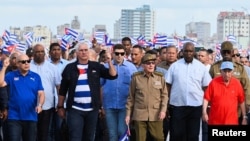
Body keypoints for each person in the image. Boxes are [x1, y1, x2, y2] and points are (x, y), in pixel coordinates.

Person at [57, 41, 117, 141]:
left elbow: (113, 75)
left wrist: (110, 61)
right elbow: (63, 90)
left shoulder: (96, 66)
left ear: (89, 52)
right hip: (75, 109)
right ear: (76, 53)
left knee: (89, 137)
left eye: (86, 50)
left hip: (92, 110)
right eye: (81, 50)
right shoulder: (69, 68)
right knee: (75, 137)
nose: (84, 52)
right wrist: (60, 107)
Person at [166, 42, 211, 141]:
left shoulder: (201, 67)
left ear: (194, 52)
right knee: (177, 135)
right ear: (182, 52)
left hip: (195, 107)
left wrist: (206, 106)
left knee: (193, 135)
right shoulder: (175, 66)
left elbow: (207, 87)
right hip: (177, 106)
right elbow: (167, 86)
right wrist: (166, 104)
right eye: (186, 51)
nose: (188, 53)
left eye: (190, 51)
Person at [0, 54, 45, 141]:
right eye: (23, 62)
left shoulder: (36, 76)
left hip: (31, 116)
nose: (26, 63)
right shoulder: (11, 75)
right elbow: (1, 83)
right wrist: (4, 67)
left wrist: (40, 105)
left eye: (28, 61)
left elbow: (41, 93)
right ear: (17, 64)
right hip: (14, 117)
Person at [125, 53, 168, 141]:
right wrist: (128, 115)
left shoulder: (159, 78)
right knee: (140, 139)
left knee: (159, 138)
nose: (151, 65)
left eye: (153, 63)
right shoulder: (136, 78)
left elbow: (164, 96)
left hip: (156, 113)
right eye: (148, 63)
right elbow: (131, 98)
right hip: (140, 114)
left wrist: (163, 111)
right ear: (143, 65)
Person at [101, 44, 137, 141]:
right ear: (112, 54)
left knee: (122, 132)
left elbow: (135, 88)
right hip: (109, 105)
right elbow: (100, 86)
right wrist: (101, 106)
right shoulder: (105, 66)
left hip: (125, 106)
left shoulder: (131, 67)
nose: (119, 56)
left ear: (125, 54)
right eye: (117, 53)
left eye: (122, 53)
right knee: (112, 134)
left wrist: (133, 107)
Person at [209, 41, 250, 123]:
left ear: (232, 52)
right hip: (218, 111)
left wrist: (247, 104)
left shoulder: (240, 68)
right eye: (224, 52)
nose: (226, 54)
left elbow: (246, 87)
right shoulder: (214, 67)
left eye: (228, 51)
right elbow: (208, 88)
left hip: (236, 110)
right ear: (220, 52)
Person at [30, 44, 61, 141]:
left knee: (44, 133)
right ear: (33, 53)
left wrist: (60, 103)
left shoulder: (52, 67)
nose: (39, 54)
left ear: (45, 53)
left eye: (41, 51)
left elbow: (58, 86)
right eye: (37, 52)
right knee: (31, 133)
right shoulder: (28, 66)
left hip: (47, 105)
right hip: (30, 106)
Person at [48, 42, 69, 141]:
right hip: (47, 104)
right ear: (50, 52)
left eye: (58, 49)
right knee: (48, 131)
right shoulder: (45, 65)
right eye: (54, 50)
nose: (56, 52)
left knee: (60, 129)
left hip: (62, 103)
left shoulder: (67, 65)